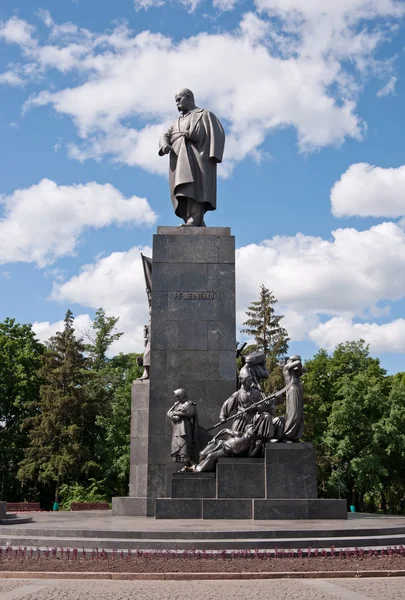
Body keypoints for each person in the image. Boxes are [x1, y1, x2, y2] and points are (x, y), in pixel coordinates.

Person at [158, 89, 225, 227]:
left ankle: (194, 219)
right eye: (175, 101)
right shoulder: (176, 121)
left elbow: (217, 133)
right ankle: (193, 220)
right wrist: (164, 145)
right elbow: (165, 135)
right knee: (182, 190)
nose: (177, 104)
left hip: (197, 157)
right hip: (178, 158)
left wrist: (196, 137)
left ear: (188, 98)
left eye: (179, 99)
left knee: (195, 188)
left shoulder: (204, 114)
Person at [189, 425, 257, 472]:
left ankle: (197, 469)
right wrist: (214, 438)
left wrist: (257, 446)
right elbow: (225, 430)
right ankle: (198, 466)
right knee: (202, 454)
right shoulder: (239, 434)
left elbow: (250, 454)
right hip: (220, 443)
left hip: (226, 451)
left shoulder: (251, 442)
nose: (254, 429)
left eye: (255, 429)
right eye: (252, 428)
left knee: (211, 456)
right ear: (247, 429)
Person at [167, 389, 199, 468]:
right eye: (176, 396)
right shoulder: (176, 405)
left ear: (182, 395)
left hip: (185, 429)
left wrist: (175, 413)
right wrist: (174, 417)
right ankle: (186, 464)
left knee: (184, 447)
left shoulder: (190, 405)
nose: (177, 398)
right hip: (176, 428)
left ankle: (189, 464)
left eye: (178, 396)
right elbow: (168, 413)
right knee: (176, 446)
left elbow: (189, 413)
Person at [282, 355, 305, 442]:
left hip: (297, 390)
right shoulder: (286, 367)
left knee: (299, 414)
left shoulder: (294, 371)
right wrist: (296, 362)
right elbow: (298, 363)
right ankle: (287, 435)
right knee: (293, 413)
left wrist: (298, 369)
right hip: (293, 390)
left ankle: (295, 436)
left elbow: (304, 369)